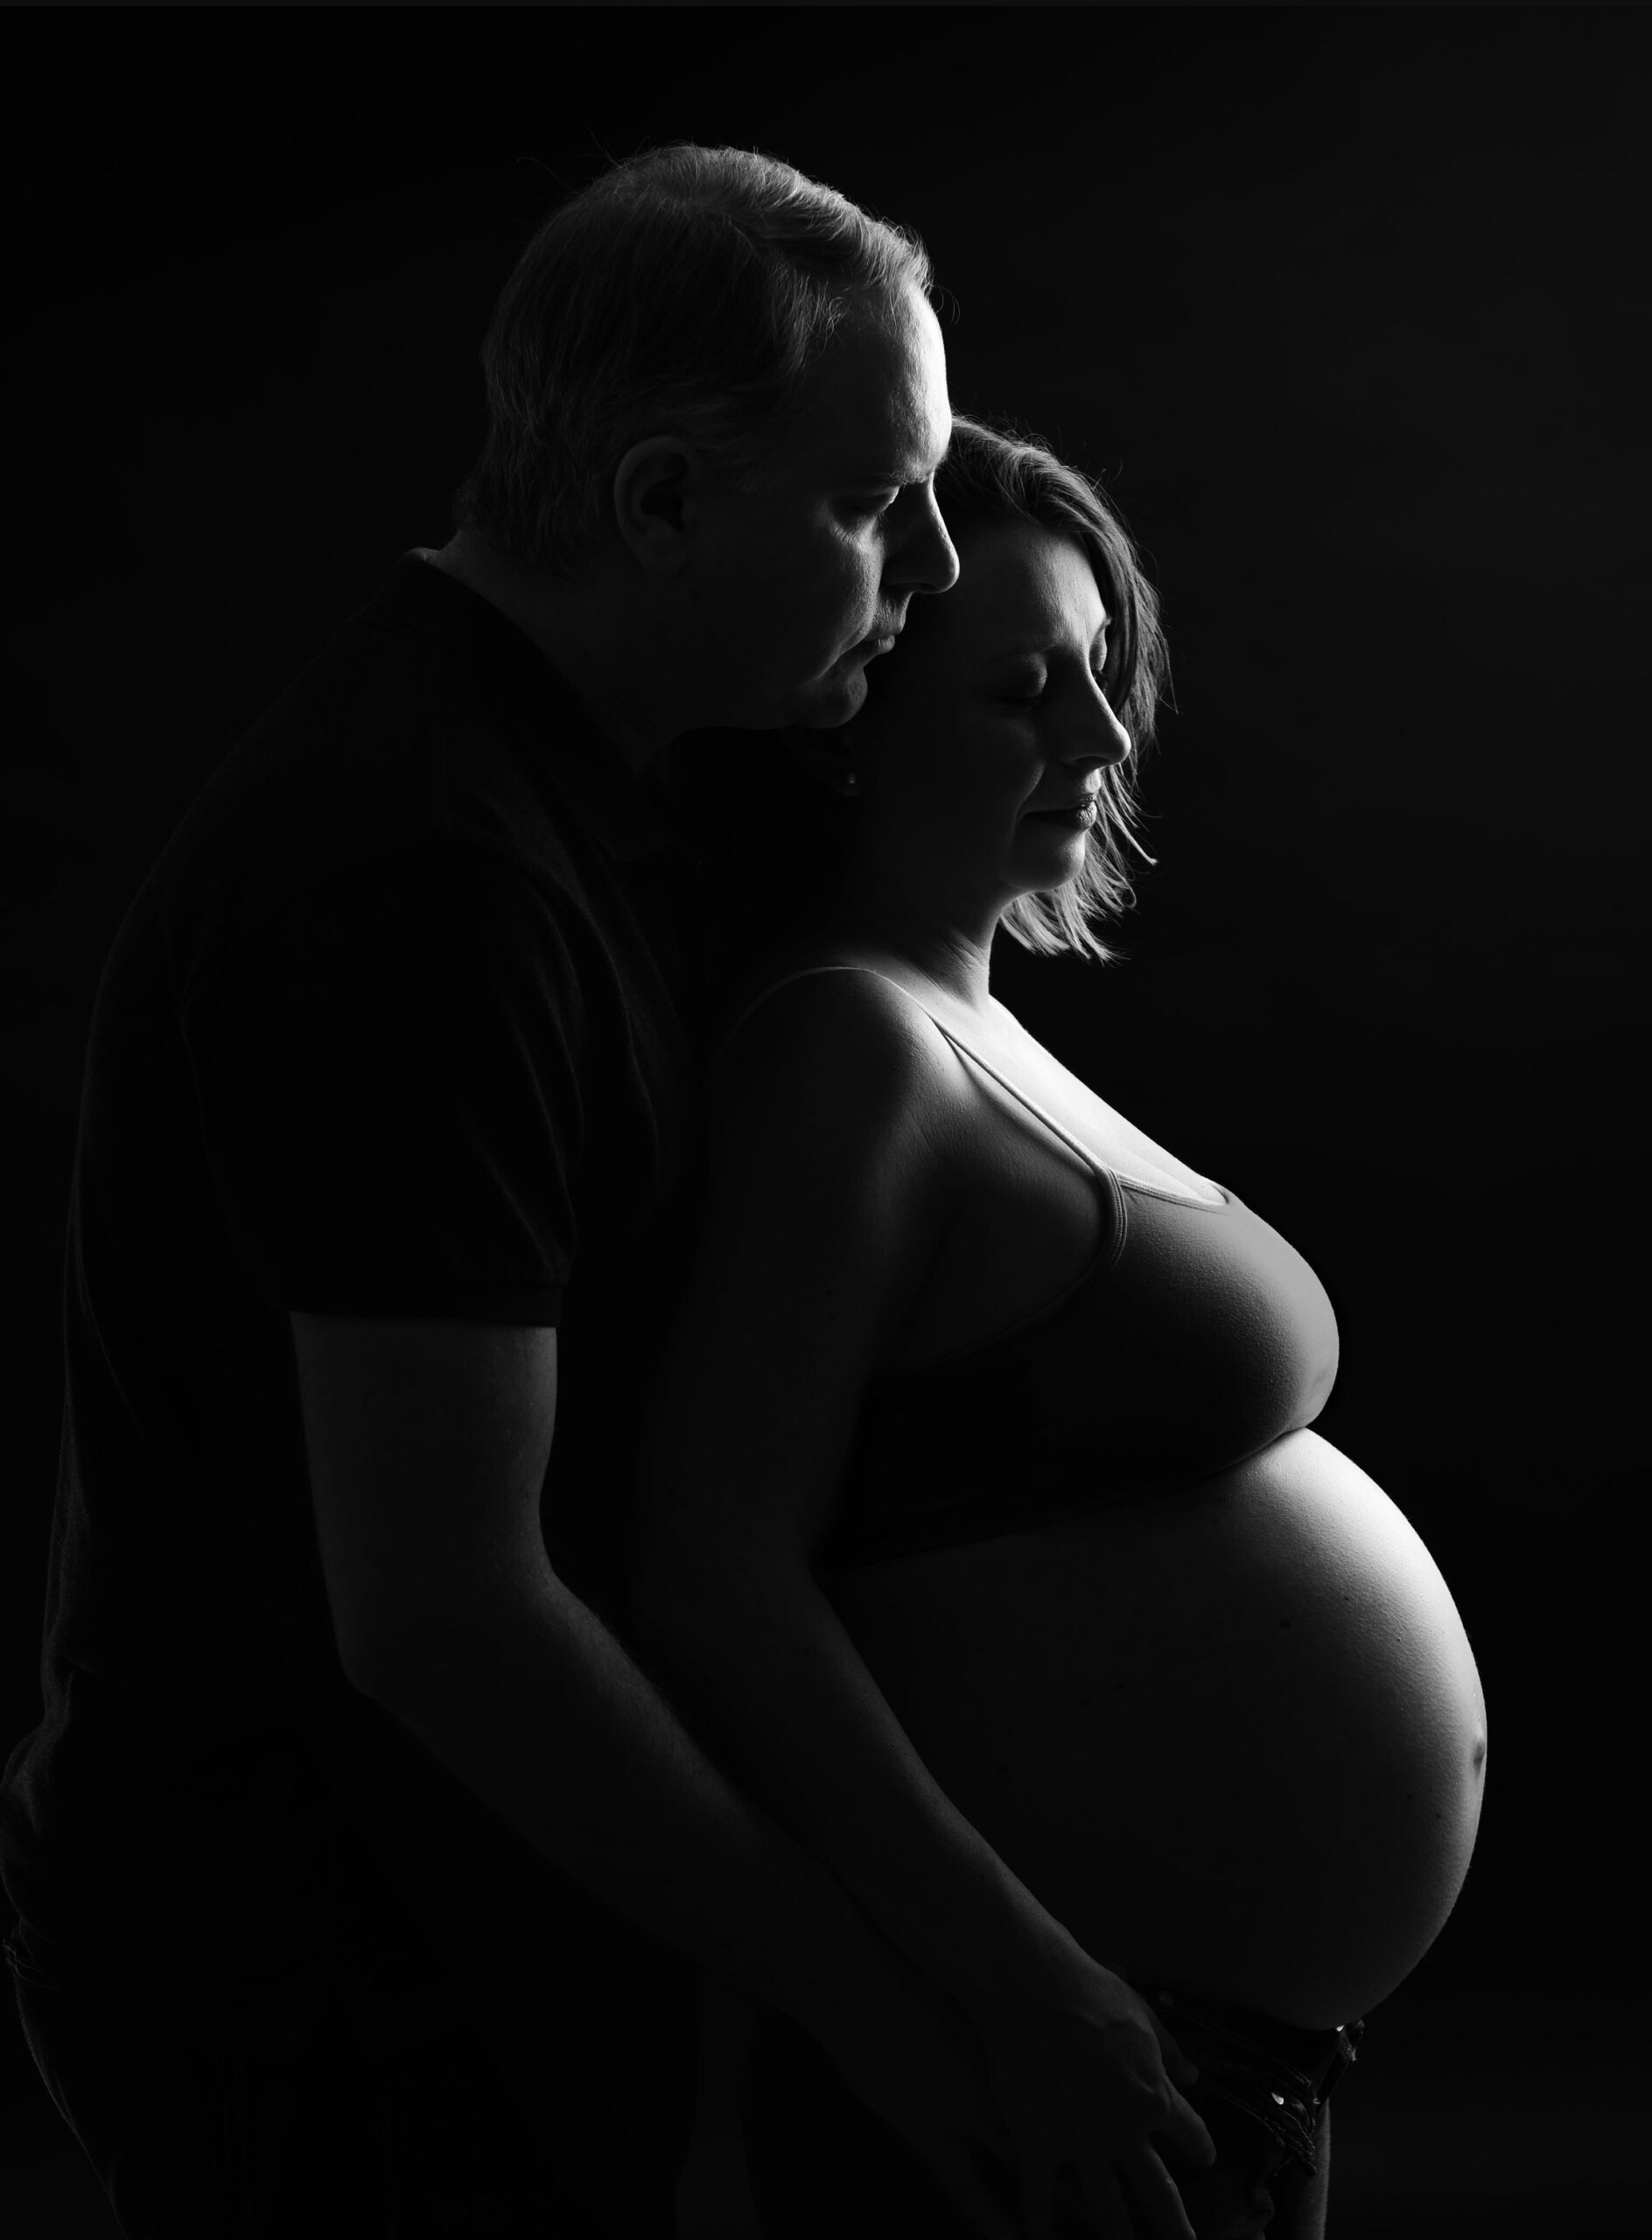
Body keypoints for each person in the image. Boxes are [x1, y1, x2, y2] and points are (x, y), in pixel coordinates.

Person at [0, 141, 1064, 2239]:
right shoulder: (427, 871)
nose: (933, 563)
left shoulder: (593, 778)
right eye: (874, 504)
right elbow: (448, 1614)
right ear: (660, 504)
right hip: (318, 1981)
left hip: (428, 1938)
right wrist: (897, 1999)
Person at [629, 414, 1492, 2240]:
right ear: (848, 718)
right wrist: (1027, 1981)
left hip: (1197, 2057)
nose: (1099, 739)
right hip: (1047, 2052)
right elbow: (708, 1564)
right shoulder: (847, 1047)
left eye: (1104, 674)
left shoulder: (972, 1024)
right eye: (1022, 688)